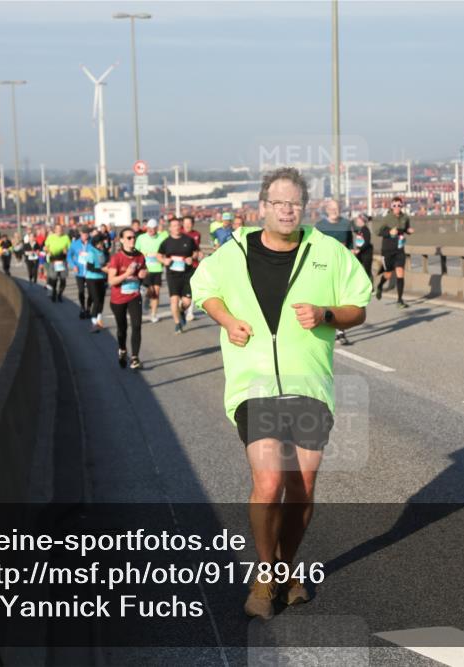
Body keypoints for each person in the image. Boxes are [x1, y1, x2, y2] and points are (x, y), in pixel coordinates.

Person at [190, 167, 371, 619]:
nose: (287, 210)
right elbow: (205, 289)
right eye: (278, 203)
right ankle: (265, 576)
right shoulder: (233, 251)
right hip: (254, 384)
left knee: (301, 486)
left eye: (295, 204)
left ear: (303, 208)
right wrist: (227, 321)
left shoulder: (328, 252)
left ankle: (285, 568)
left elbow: (358, 307)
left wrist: (328, 313)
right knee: (269, 483)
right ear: (263, 207)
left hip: (309, 384)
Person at [107, 228, 148, 369]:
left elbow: (143, 271)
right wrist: (126, 274)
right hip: (118, 298)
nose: (132, 240)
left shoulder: (140, 256)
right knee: (122, 329)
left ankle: (135, 357)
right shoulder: (116, 258)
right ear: (122, 240)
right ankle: (122, 349)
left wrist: (143, 273)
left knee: (137, 325)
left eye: (134, 237)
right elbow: (111, 281)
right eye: (129, 237)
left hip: (134, 295)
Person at [315, 199, 354, 345]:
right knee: (327, 297)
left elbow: (350, 244)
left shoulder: (346, 224)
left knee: (341, 298)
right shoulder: (320, 226)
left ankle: (341, 331)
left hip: (342, 264)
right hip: (324, 265)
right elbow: (315, 246)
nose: (334, 210)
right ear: (326, 209)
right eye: (331, 208)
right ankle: (324, 321)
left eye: (336, 208)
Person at [157, 217, 197, 334]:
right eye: (174, 226)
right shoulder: (166, 242)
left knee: (187, 302)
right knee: (174, 300)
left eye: (178, 225)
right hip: (173, 275)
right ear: (170, 228)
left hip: (187, 274)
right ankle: (177, 324)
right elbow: (159, 256)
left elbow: (196, 252)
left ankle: (181, 311)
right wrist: (164, 261)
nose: (177, 228)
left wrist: (192, 257)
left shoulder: (188, 240)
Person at [376, 196, 414, 307]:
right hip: (387, 250)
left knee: (400, 273)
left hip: (399, 250)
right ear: (391, 207)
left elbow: (406, 229)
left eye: (399, 205)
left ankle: (400, 300)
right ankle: (380, 286)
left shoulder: (405, 218)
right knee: (387, 274)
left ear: (402, 206)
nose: (397, 207)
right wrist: (389, 232)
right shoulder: (387, 218)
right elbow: (378, 231)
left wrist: (409, 231)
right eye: (394, 205)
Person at [134, 219, 166, 323]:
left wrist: (159, 256)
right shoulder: (141, 238)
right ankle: (146, 299)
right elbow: (135, 251)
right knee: (148, 291)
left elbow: (165, 253)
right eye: (149, 228)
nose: (151, 230)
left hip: (157, 269)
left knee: (156, 293)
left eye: (153, 229)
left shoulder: (161, 238)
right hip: (145, 269)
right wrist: (145, 254)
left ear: (157, 228)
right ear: (146, 228)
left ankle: (153, 315)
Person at [84, 234, 110, 333]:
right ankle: (94, 321)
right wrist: (102, 269)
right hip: (92, 279)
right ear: (96, 243)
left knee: (102, 300)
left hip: (102, 278)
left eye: (102, 242)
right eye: (100, 243)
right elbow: (89, 267)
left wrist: (107, 266)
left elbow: (104, 264)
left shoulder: (102, 252)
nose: (102, 244)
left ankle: (99, 319)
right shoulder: (91, 252)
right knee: (96, 299)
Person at [181, 215, 203, 322]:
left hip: (193, 265)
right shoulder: (178, 233)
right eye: (185, 223)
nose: (187, 225)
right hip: (179, 267)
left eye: (189, 223)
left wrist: (198, 254)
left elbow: (197, 249)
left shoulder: (196, 234)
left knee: (192, 289)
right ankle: (181, 309)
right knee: (181, 291)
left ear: (193, 224)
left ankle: (190, 313)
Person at [68, 227, 93, 318]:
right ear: (80, 233)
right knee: (81, 291)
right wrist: (73, 265)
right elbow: (69, 256)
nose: (85, 236)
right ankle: (82, 308)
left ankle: (88, 309)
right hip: (79, 271)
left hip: (90, 272)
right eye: (83, 234)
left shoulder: (92, 243)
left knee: (91, 292)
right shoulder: (75, 244)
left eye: (87, 234)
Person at [43, 223, 71, 302]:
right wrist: (47, 250)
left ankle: (60, 294)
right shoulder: (50, 237)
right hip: (53, 261)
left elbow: (70, 248)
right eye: (57, 229)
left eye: (61, 229)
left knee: (63, 280)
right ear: (55, 230)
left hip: (62, 261)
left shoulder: (66, 237)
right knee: (54, 279)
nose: (59, 230)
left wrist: (67, 251)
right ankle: (54, 293)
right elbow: (45, 247)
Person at [352, 213, 374, 282]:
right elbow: (354, 228)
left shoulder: (366, 230)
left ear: (362, 221)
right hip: (360, 253)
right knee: (355, 267)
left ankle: (371, 287)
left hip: (366, 253)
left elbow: (367, 242)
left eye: (358, 219)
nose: (357, 221)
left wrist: (359, 250)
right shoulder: (360, 229)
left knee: (367, 271)